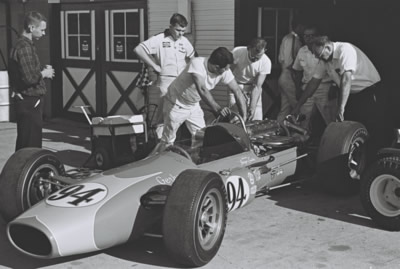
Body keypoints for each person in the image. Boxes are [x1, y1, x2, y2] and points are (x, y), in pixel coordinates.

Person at [291, 35, 385, 159]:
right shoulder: (324, 59)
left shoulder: (345, 50)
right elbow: (313, 84)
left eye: (318, 55)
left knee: (372, 130)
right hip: (352, 94)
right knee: (353, 132)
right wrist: (298, 106)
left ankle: (375, 163)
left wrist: (341, 108)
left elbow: (346, 80)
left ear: (327, 47)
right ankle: (357, 164)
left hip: (368, 92)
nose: (316, 57)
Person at [152, 47, 247, 154]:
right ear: (216, 67)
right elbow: (202, 89)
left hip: (193, 105)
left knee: (201, 136)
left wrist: (244, 118)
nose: (226, 71)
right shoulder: (197, 64)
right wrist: (218, 109)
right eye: (224, 69)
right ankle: (160, 162)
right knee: (168, 140)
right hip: (176, 104)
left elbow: (237, 91)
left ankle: (196, 159)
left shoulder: (225, 70)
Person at [134, 13, 195, 139]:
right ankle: (159, 146)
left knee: (183, 113)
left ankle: (178, 142)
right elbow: (139, 50)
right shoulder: (159, 39)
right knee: (166, 115)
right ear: (171, 26)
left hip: (182, 82)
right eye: (178, 30)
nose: (180, 34)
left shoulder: (184, 41)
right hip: (166, 81)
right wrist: (154, 66)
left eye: (183, 31)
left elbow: (193, 58)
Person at [8, 11, 54, 151]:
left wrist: (40, 69)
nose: (44, 33)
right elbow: (29, 78)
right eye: (42, 30)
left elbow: (21, 71)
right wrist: (44, 73)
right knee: (31, 144)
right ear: (31, 28)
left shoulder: (21, 45)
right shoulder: (25, 47)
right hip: (30, 101)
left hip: (26, 99)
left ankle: (22, 171)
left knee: (25, 141)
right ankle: (28, 171)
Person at [291, 25, 335, 131]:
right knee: (303, 117)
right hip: (307, 88)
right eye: (306, 36)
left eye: (312, 35)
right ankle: (302, 141)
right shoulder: (302, 51)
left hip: (325, 87)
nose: (309, 38)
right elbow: (297, 71)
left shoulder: (326, 50)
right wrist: (297, 89)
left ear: (318, 36)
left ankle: (333, 140)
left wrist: (334, 86)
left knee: (330, 118)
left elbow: (337, 70)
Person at [229, 38, 271, 121]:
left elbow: (257, 87)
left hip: (253, 87)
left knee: (256, 118)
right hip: (236, 84)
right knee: (235, 118)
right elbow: (229, 74)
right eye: (253, 56)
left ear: (264, 50)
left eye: (258, 58)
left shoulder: (266, 62)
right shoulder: (237, 52)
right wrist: (239, 92)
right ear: (248, 48)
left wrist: (252, 107)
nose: (255, 60)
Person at [277, 17, 305, 121]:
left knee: (285, 107)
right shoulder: (293, 39)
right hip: (289, 75)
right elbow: (290, 62)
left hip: (284, 75)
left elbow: (281, 59)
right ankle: (301, 131)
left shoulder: (286, 38)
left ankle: (279, 128)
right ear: (299, 26)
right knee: (298, 106)